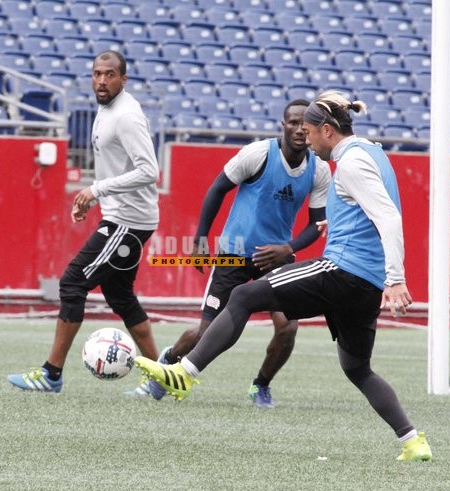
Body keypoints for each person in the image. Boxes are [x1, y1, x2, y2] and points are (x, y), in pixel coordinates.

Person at [135, 91, 433, 461]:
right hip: (365, 286)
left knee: (244, 297)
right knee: (357, 368)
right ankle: (412, 441)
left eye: (310, 131)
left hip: (342, 271)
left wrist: (396, 278)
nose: (306, 138)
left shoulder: (350, 164)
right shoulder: (372, 152)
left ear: (327, 130)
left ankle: (185, 373)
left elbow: (388, 217)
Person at [132, 100, 331, 407]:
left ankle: (261, 385)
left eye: (304, 125)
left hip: (276, 258)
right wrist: (200, 240)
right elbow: (217, 189)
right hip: (234, 253)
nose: (299, 130)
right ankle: (168, 361)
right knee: (208, 332)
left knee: (288, 328)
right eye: (293, 123)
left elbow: (317, 224)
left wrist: (288, 249)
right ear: (283, 125)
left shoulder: (319, 170)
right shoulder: (258, 154)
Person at [8, 50, 160, 393]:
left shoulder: (127, 116)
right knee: (120, 296)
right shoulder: (106, 108)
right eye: (97, 74)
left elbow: (149, 171)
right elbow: (116, 167)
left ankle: (51, 374)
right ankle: (162, 377)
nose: (102, 81)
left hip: (129, 221)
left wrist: (96, 190)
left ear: (124, 79)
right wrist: (94, 199)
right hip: (121, 216)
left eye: (109, 74)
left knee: (72, 283)